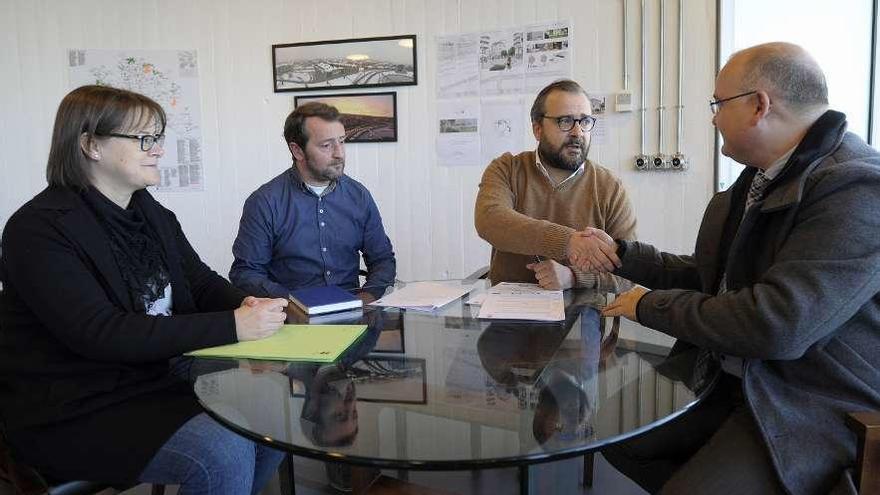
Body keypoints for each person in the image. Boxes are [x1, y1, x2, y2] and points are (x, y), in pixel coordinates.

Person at [574, 42, 880, 494]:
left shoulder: (856, 187)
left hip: (803, 399)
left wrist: (647, 306)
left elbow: (776, 323)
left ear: (759, 105)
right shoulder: (761, 179)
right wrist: (623, 254)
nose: (713, 117)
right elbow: (710, 279)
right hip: (731, 376)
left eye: (718, 104)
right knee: (611, 433)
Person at [0, 85, 289, 493]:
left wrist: (245, 302)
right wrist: (234, 325)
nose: (157, 150)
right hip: (76, 404)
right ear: (90, 145)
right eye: (143, 139)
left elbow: (200, 281)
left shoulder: (150, 212)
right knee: (223, 450)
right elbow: (100, 333)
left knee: (271, 415)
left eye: (158, 137)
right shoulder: (38, 229)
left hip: (154, 376)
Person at [474, 79, 636, 291]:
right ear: (538, 129)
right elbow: (490, 220)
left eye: (585, 121)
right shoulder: (507, 169)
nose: (578, 132)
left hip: (581, 312)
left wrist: (574, 277)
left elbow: (629, 274)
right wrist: (568, 242)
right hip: (508, 308)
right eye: (565, 121)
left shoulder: (609, 187)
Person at [230, 102, 396, 304]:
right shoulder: (264, 202)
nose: (339, 153)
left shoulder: (358, 195)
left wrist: (366, 298)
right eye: (327, 145)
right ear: (297, 151)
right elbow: (246, 273)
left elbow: (382, 259)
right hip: (291, 319)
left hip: (352, 313)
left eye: (342, 142)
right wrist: (294, 303)